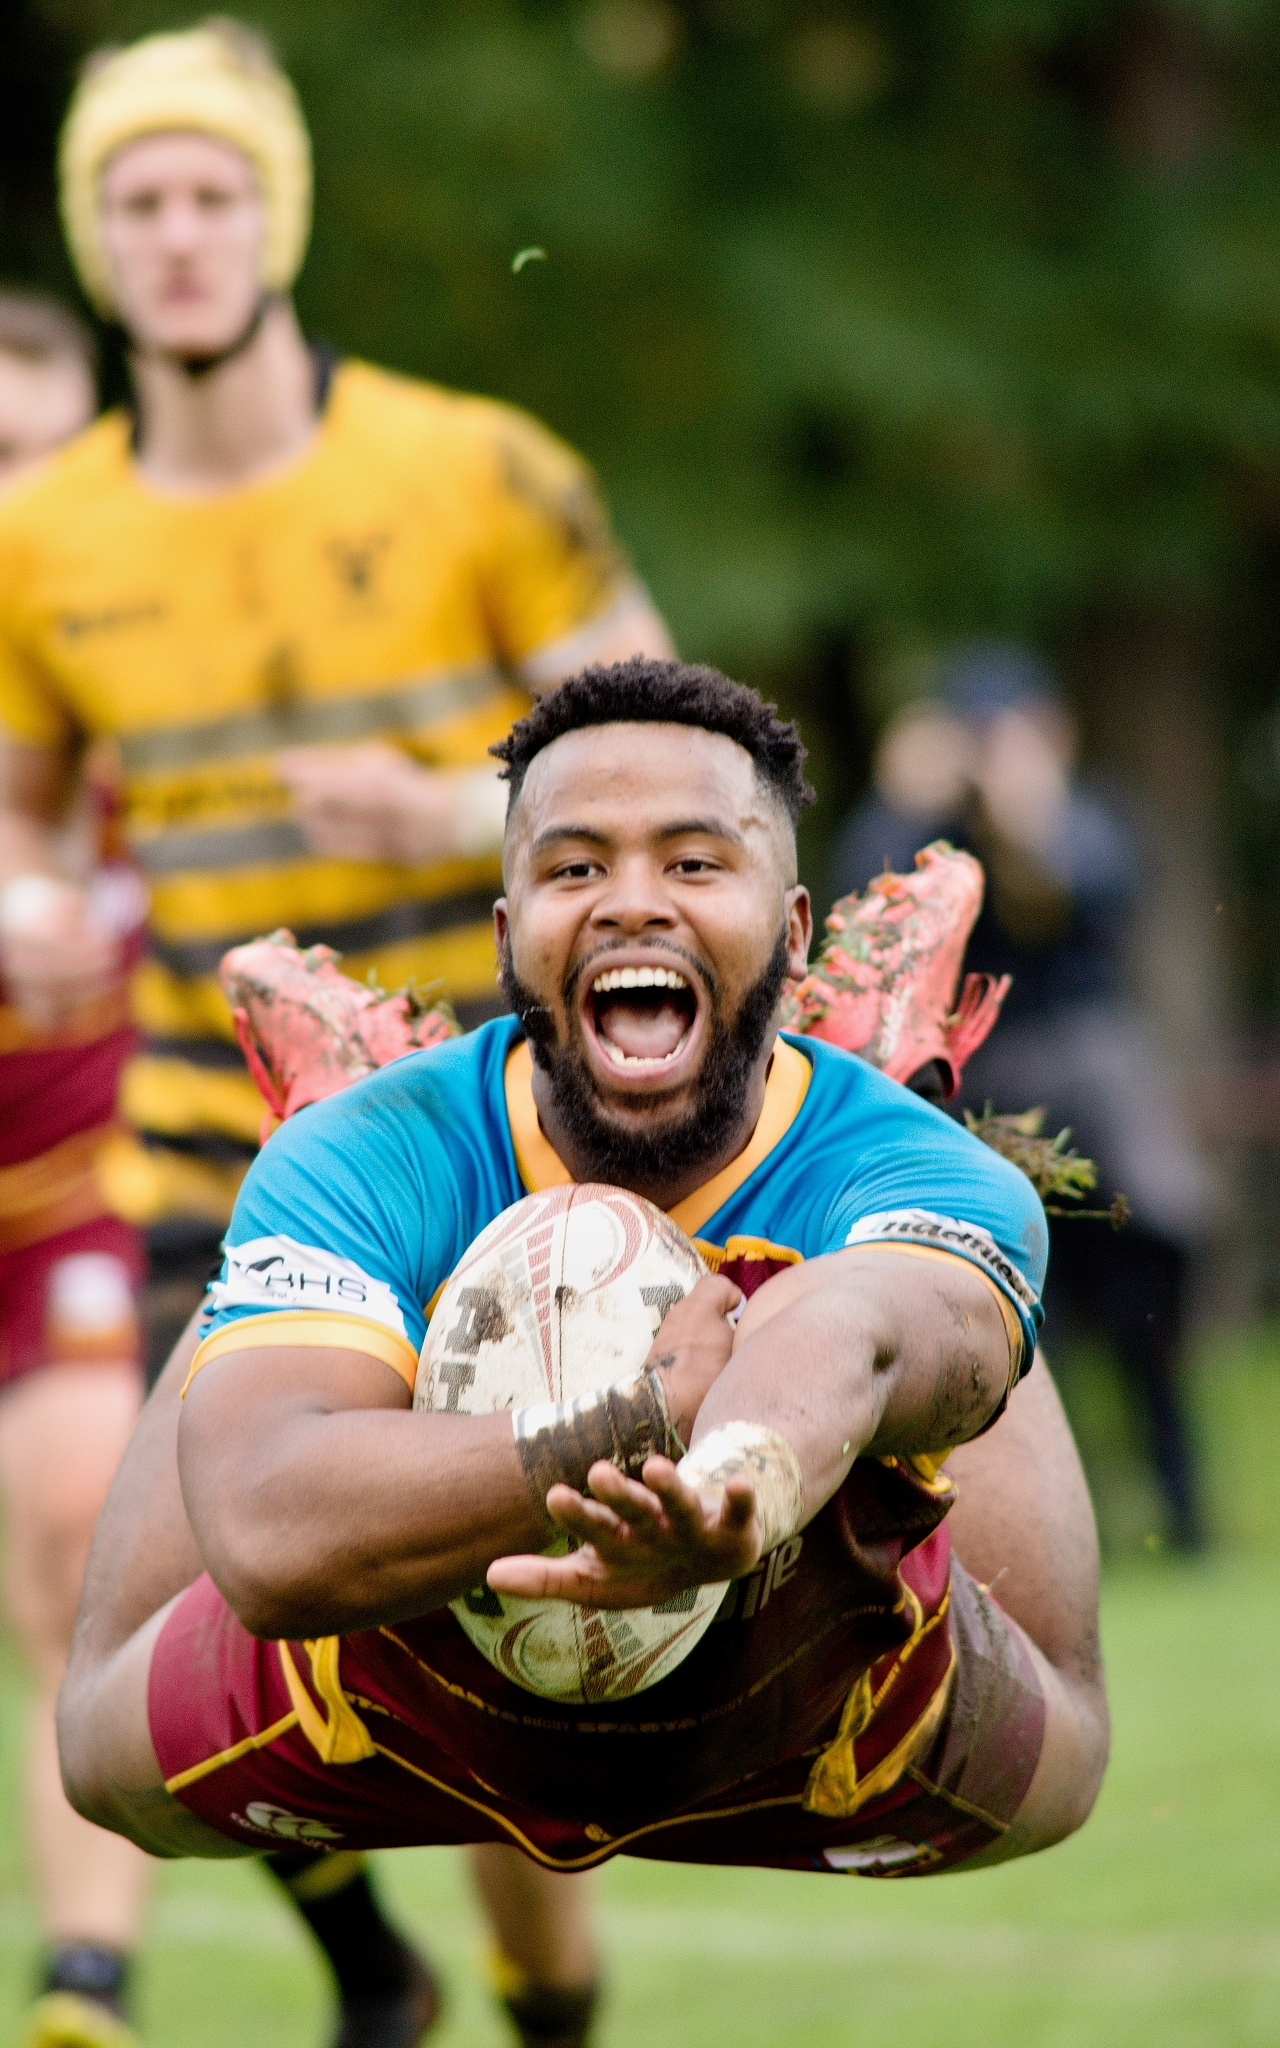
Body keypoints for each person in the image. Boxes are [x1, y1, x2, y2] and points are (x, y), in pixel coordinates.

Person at [0, 21, 672, 2043]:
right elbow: (28, 817)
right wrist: (28, 898)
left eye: (212, 193)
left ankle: (535, 1995)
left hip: (488, 1123)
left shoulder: (475, 466)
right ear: (98, 243)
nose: (178, 234)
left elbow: (675, 767)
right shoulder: (42, 536)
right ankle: (298, 1964)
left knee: (505, 1640)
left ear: (273, 217)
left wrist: (465, 806)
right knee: (143, 1557)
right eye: (138, 202)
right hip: (215, 1136)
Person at [58, 662, 1109, 1932]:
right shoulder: (381, 1153)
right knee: (99, 1744)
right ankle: (334, 1162)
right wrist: (630, 1423)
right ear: (506, 938)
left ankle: (888, 1067)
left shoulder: (901, 1167)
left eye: (692, 863)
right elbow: (267, 1533)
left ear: (790, 933)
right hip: (401, 1699)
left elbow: (862, 1332)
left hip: (805, 1700)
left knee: (1058, 1743)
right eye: (574, 868)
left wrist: (731, 1482)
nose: (631, 901)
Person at [829, 643, 1215, 1550]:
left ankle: (1183, 1511)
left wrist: (1021, 814)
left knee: (1150, 1309)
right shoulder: (926, 830)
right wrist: (902, 798)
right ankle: (1048, 1523)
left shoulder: (1092, 819)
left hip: (1099, 1099)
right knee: (1026, 1329)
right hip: (987, 1093)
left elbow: (1065, 897)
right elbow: (862, 923)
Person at [0, 289, 156, 2048]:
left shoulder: (131, 684)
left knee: (72, 1544)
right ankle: (358, 1940)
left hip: (83, 1202)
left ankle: (83, 1983)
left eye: (53, 454)